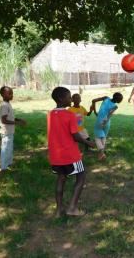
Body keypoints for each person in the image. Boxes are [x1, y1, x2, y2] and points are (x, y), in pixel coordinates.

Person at [47, 87, 95, 217]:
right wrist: (88, 142)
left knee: (61, 178)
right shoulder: (69, 115)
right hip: (70, 155)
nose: (71, 99)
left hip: (55, 155)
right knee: (81, 175)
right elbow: (75, 136)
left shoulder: (50, 114)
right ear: (61, 99)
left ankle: (58, 210)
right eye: (69, 97)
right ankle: (72, 208)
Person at [0, 86, 26, 171]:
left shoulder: (8, 104)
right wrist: (17, 123)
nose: (11, 95)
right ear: (3, 95)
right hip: (6, 131)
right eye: (9, 93)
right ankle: (3, 167)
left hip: (9, 131)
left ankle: (8, 163)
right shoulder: (4, 105)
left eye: (12, 93)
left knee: (9, 148)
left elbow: (10, 118)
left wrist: (18, 119)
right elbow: (4, 120)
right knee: (5, 149)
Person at [91, 92, 123, 161]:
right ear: (119, 101)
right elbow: (109, 115)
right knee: (103, 137)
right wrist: (106, 121)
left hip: (100, 120)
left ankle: (101, 153)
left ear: (113, 96)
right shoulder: (115, 106)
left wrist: (95, 111)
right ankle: (101, 154)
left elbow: (93, 100)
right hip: (107, 122)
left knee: (97, 137)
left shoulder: (105, 98)